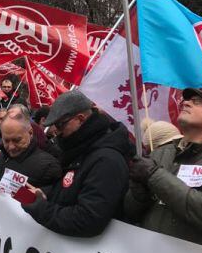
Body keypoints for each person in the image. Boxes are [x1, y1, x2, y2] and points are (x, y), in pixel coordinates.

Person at [125, 88, 202, 253]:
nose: (186, 102)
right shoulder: (161, 153)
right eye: (187, 100)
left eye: (198, 102)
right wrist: (138, 193)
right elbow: (130, 212)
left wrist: (154, 176)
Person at [21, 90, 133, 237]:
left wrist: (42, 209)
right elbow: (70, 188)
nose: (56, 132)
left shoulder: (106, 159)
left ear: (80, 119)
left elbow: (88, 219)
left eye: (60, 125)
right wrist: (45, 195)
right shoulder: (79, 148)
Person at [0, 105, 61, 191]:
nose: (11, 147)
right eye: (6, 140)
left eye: (17, 140)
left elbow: (53, 200)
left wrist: (39, 199)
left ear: (30, 133)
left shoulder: (48, 166)